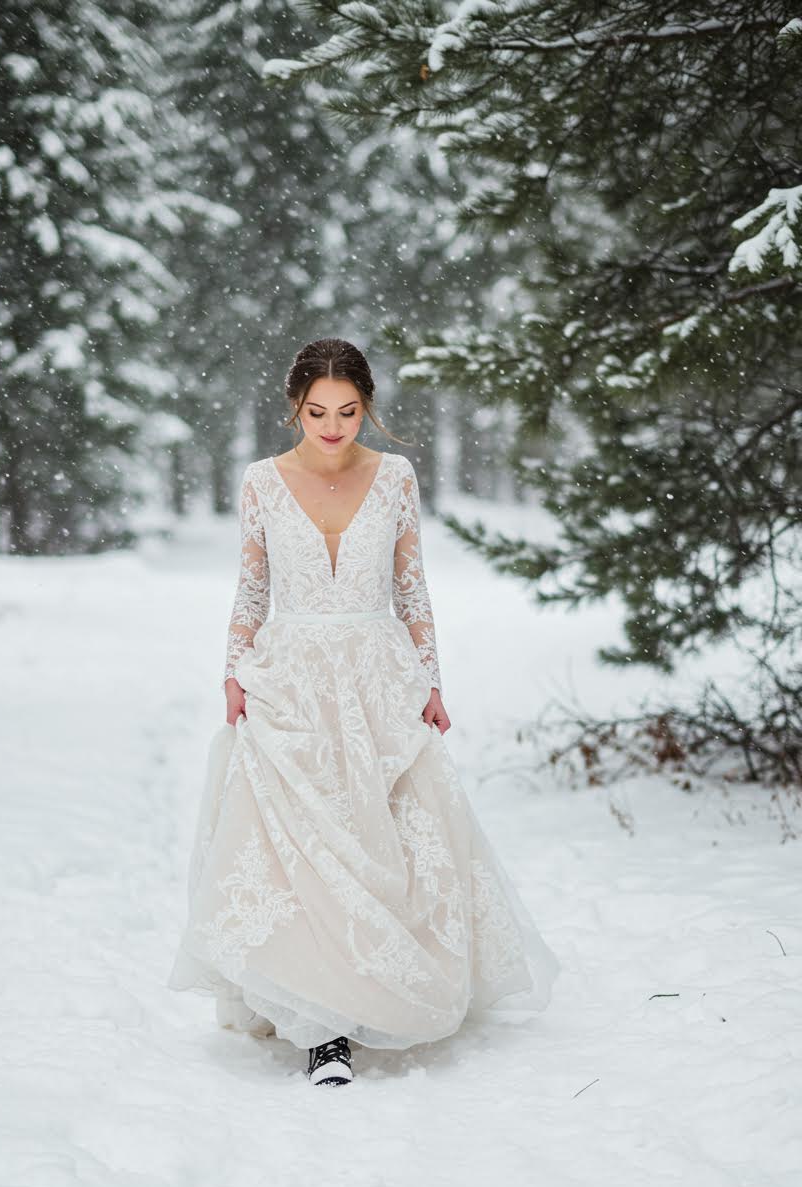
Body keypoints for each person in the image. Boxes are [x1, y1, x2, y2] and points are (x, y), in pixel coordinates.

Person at [167, 337, 560, 1086]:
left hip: (378, 676)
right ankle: (323, 1029)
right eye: (318, 411)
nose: (333, 426)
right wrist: (232, 674)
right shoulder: (261, 482)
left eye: (348, 411)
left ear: (367, 408)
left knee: (382, 837)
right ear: (295, 408)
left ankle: (383, 988)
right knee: (306, 849)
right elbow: (252, 588)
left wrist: (431, 682)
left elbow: (412, 589)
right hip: (291, 677)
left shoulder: (396, 478)